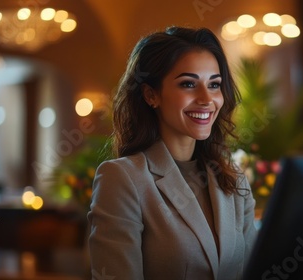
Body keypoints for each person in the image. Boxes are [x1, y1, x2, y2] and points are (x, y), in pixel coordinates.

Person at [87, 26, 257, 280]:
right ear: (151, 95)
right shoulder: (122, 179)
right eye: (188, 84)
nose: (206, 99)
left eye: (214, 84)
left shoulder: (233, 177)